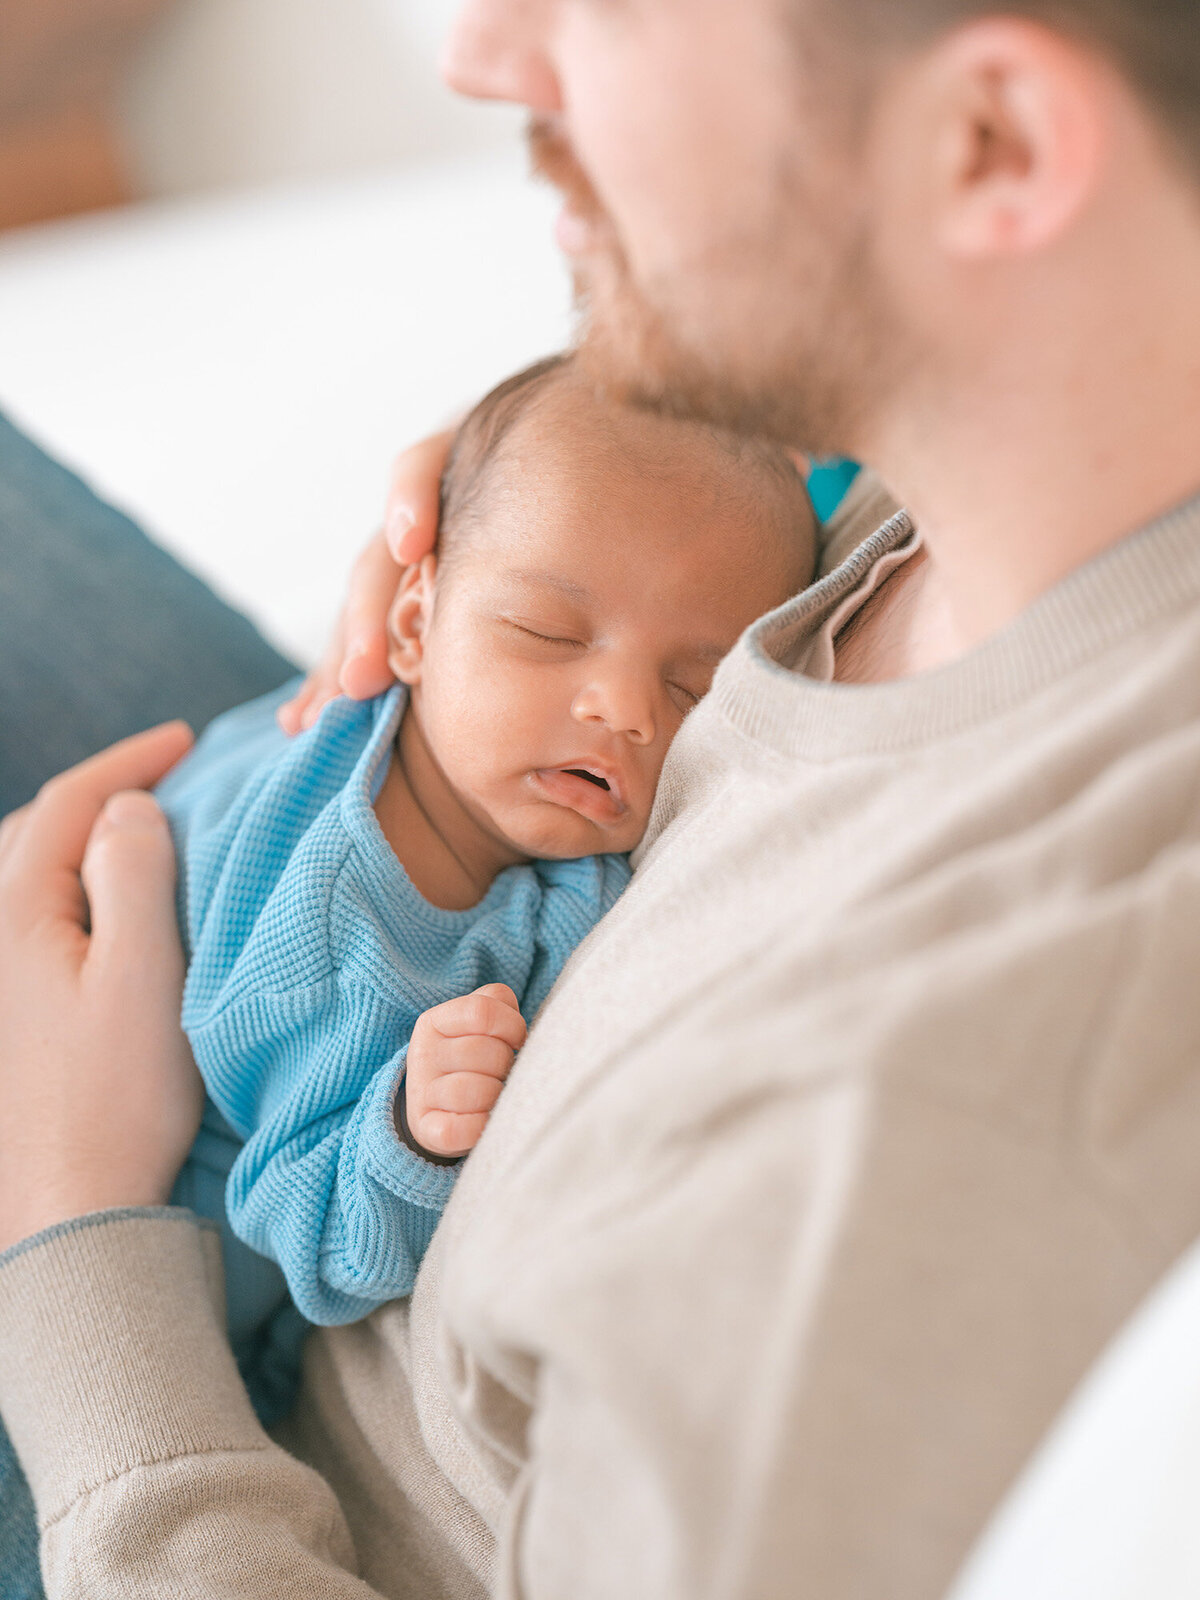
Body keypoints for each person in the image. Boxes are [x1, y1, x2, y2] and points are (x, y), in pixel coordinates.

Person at [2, 1, 1200, 1597]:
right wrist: (592, 459)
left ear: (990, 143)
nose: (484, 54)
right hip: (293, 794)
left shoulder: (934, 1136)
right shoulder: (1044, 492)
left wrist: (69, 1224)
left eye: (617, 11)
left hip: (199, 1409)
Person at [157, 353, 814, 1421]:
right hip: (170, 1274)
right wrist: (408, 1133)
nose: (626, 709)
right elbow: (309, 1236)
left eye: (695, 685)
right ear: (410, 626)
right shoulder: (339, 928)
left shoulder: (497, 779)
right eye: (549, 635)